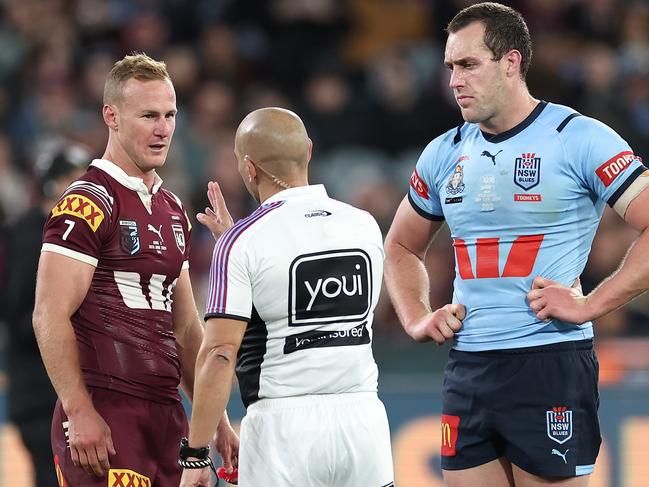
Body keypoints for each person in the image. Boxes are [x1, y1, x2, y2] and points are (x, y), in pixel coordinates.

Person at [384, 3, 649, 487]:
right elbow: (400, 245)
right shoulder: (444, 152)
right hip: (468, 366)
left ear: (511, 62)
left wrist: (593, 304)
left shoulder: (579, 138)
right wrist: (416, 315)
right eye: (450, 68)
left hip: (548, 364)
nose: (454, 81)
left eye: (468, 65)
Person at [32, 53, 238, 486]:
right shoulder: (86, 202)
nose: (162, 129)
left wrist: (214, 418)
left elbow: (185, 330)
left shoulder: (173, 208)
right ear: (111, 116)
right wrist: (78, 408)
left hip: (167, 417)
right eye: (148, 115)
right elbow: (48, 314)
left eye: (169, 115)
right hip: (106, 412)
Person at [178, 107, 395, 487]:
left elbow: (220, 353)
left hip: (284, 432)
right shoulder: (364, 225)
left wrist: (196, 454)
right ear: (308, 151)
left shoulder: (243, 243)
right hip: (364, 426)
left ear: (249, 168)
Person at [2, 143, 87, 487]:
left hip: (57, 393)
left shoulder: (69, 233)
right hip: (40, 393)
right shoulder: (28, 235)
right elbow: (21, 316)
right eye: (76, 182)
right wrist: (70, 323)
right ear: (55, 186)